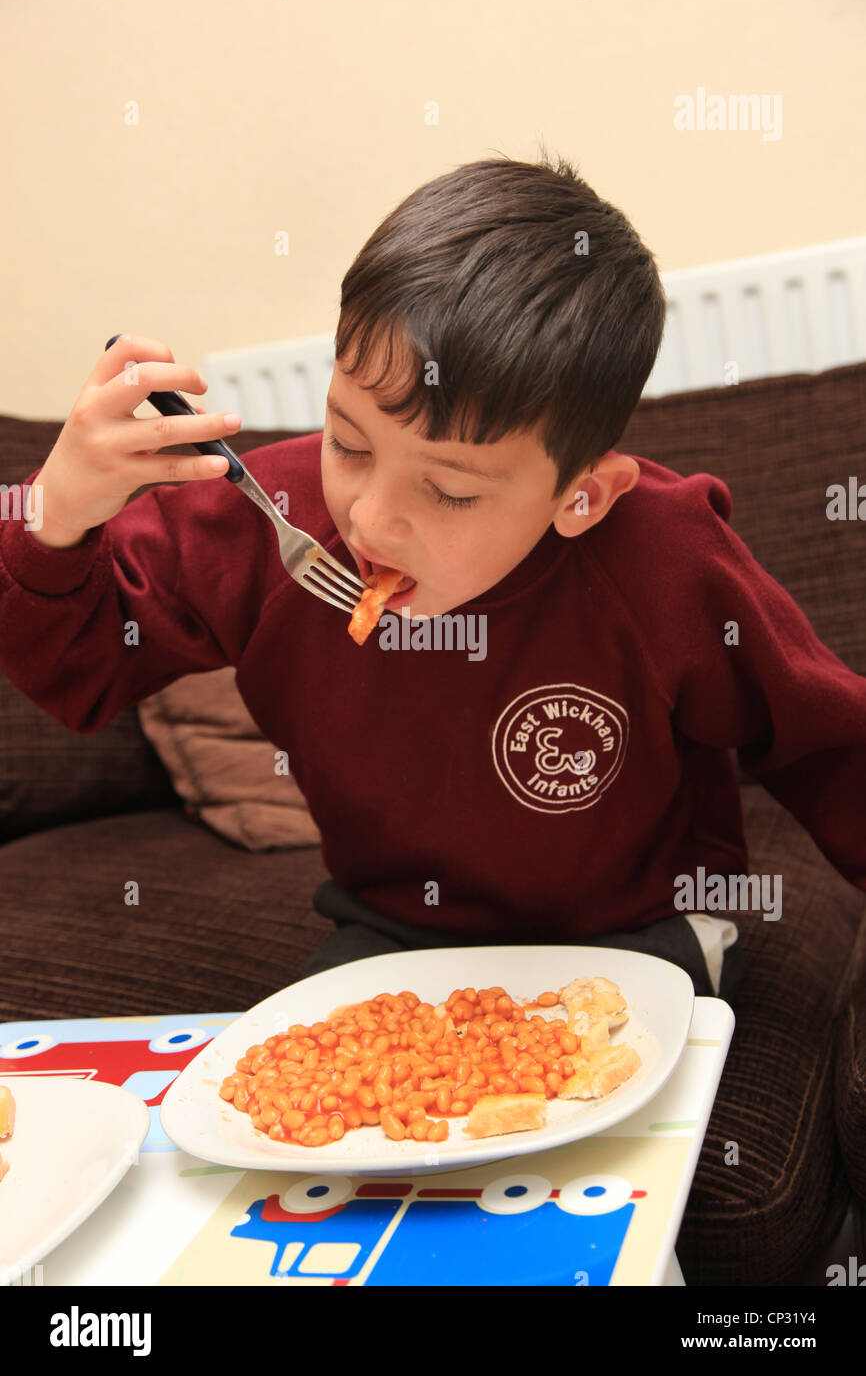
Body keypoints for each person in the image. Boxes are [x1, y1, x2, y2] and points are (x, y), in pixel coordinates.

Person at [2, 152, 864, 1010]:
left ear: (581, 497)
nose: (369, 520)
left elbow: (825, 739)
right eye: (349, 441)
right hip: (394, 938)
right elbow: (81, 668)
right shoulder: (273, 520)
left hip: (646, 933)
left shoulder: (665, 561)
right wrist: (54, 518)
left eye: (449, 489)